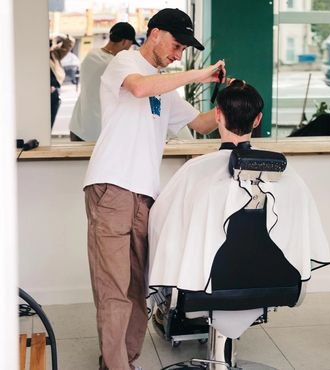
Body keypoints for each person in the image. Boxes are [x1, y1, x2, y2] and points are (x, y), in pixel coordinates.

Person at [83, 8, 226, 370]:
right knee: (114, 290)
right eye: (177, 46)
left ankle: (123, 360)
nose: (178, 54)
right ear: (156, 33)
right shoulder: (126, 62)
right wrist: (200, 74)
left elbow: (202, 124)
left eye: (183, 50)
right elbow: (139, 87)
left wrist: (235, 101)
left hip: (144, 196)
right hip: (112, 187)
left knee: (137, 291)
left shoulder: (165, 89)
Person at [148, 79, 330, 337]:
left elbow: (157, 226)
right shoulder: (286, 175)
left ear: (218, 116)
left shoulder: (196, 172)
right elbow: (305, 238)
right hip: (273, 283)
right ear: (257, 120)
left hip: (204, 286)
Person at [69, 22, 139, 142]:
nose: (129, 49)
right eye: (130, 45)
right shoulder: (114, 64)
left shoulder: (91, 54)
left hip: (77, 126)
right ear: (125, 42)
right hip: (95, 133)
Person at [50, 34, 75, 127]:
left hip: (54, 92)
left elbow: (70, 43)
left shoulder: (54, 53)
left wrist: (61, 35)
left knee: (50, 121)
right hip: (42, 93)